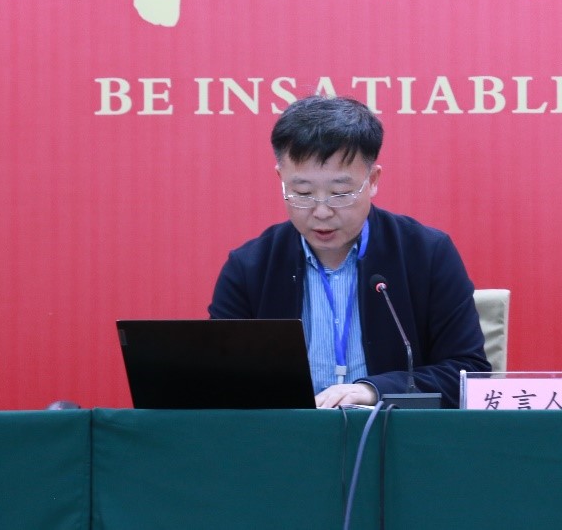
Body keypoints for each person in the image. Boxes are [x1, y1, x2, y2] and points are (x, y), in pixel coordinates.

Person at [209, 95, 489, 408]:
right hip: (287, 435)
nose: (321, 211)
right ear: (281, 181)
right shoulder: (249, 267)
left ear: (372, 181)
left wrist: (375, 390)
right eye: (302, 193)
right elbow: (222, 380)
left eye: (340, 193)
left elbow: (468, 373)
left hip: (390, 431)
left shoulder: (428, 255)